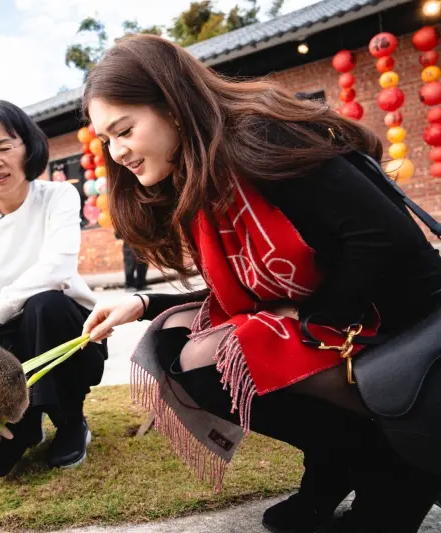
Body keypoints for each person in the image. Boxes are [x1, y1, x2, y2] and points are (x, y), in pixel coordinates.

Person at [80, 35, 441, 533]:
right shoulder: (200, 173)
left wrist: (317, 317)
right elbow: (251, 290)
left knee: (220, 356)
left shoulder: (259, 137)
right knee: (172, 342)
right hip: (347, 316)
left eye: (124, 131)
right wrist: (144, 303)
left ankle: (393, 467)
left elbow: (383, 236)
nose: (117, 152)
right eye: (107, 140)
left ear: (174, 106)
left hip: (402, 319)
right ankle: (337, 460)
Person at [0, 100, 107, 478]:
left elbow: (57, 268)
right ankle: (24, 421)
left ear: (28, 147)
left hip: (67, 327)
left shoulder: (58, 196)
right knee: (5, 464)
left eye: (4, 147)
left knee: (44, 305)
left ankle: (70, 422)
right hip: (6, 336)